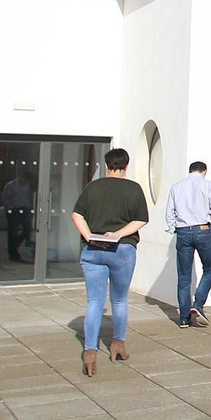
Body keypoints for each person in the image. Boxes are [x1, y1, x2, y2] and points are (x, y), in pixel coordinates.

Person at [70, 147, 149, 377]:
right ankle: (118, 345)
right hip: (122, 249)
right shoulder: (134, 189)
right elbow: (141, 219)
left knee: (94, 301)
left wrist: (89, 236)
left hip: (92, 249)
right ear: (126, 166)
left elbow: (77, 215)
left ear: (106, 166)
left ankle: (90, 351)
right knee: (119, 300)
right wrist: (118, 234)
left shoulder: (92, 187)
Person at [165, 161, 211, 328]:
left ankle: (183, 318)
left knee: (183, 276)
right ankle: (198, 303)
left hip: (183, 230)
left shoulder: (176, 187)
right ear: (204, 171)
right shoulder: (208, 185)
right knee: (210, 267)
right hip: (202, 229)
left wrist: (172, 228)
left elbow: (169, 212)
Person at [1, 171, 35, 262]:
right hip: (14, 210)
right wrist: (11, 208)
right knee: (13, 231)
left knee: (28, 229)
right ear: (21, 177)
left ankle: (14, 245)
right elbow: (5, 198)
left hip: (25, 209)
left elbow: (30, 197)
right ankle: (13, 252)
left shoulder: (29, 186)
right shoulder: (11, 185)